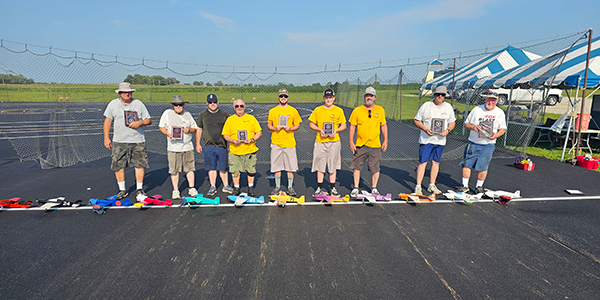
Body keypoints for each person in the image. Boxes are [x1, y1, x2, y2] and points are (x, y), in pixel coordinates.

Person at [103, 82, 152, 200]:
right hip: (119, 140)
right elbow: (108, 121)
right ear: (119, 93)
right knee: (118, 165)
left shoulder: (138, 104)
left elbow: (148, 120)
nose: (127, 94)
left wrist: (139, 123)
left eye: (129, 92)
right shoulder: (113, 104)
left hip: (137, 140)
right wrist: (106, 137)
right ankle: (122, 190)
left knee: (139, 164)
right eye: (124, 92)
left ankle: (139, 189)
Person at [458, 93, 507, 194]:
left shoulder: (499, 112)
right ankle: (465, 186)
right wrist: (473, 127)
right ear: (485, 99)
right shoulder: (477, 110)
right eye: (489, 99)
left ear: (496, 101)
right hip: (474, 143)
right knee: (467, 164)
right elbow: (466, 124)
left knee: (483, 166)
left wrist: (496, 135)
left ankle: (479, 187)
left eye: (493, 100)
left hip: (488, 144)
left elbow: (503, 129)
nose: (491, 102)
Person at [413, 86, 456, 195]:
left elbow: (452, 122)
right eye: (438, 95)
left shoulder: (448, 107)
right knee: (423, 162)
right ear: (434, 95)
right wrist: (425, 129)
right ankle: (418, 186)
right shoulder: (426, 106)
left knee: (436, 162)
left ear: (445, 96)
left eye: (442, 95)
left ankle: (432, 185)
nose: (440, 97)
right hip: (426, 140)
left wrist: (448, 130)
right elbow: (417, 120)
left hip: (440, 141)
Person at [348, 86, 388, 197]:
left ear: (374, 97)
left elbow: (383, 125)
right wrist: (351, 142)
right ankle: (356, 188)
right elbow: (352, 127)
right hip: (361, 145)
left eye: (371, 95)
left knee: (375, 167)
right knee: (357, 167)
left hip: (375, 145)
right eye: (367, 95)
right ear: (364, 97)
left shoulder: (380, 110)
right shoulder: (357, 110)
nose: (369, 97)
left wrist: (385, 140)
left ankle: (374, 188)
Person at [308, 88, 347, 196]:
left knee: (332, 165)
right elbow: (311, 124)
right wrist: (319, 130)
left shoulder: (339, 110)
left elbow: (343, 125)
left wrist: (336, 130)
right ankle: (319, 188)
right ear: (323, 98)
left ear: (333, 98)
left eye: (330, 97)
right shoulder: (318, 110)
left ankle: (332, 188)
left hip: (334, 142)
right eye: (326, 97)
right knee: (320, 166)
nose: (328, 99)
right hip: (320, 141)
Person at [158, 95, 198, 200]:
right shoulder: (167, 113)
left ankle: (192, 188)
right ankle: (175, 190)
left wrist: (188, 130)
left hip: (187, 146)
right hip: (173, 148)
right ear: (173, 105)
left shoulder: (188, 114)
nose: (178, 106)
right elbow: (161, 127)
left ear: (184, 104)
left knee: (190, 169)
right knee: (174, 170)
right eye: (176, 105)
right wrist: (168, 134)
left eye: (180, 104)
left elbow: (194, 128)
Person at [222, 99, 262, 196]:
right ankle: (236, 188)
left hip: (249, 150)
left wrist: (252, 140)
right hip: (235, 151)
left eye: (241, 106)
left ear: (244, 107)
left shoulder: (251, 118)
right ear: (234, 107)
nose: (239, 108)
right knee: (235, 171)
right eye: (237, 106)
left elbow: (259, 132)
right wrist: (233, 141)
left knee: (251, 170)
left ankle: (250, 188)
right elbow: (225, 134)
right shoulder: (230, 119)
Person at [196, 94, 233, 196]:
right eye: (210, 102)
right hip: (209, 146)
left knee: (223, 167)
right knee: (211, 167)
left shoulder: (224, 114)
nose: (213, 104)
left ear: (218, 102)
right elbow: (199, 129)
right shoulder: (203, 115)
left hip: (222, 145)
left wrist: (230, 143)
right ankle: (213, 186)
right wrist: (198, 143)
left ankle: (226, 186)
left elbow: (230, 130)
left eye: (214, 102)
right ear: (207, 103)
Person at [267, 88, 302, 196]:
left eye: (285, 96)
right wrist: (275, 128)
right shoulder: (273, 111)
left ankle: (290, 187)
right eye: (281, 96)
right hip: (276, 142)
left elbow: (297, 125)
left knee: (290, 167)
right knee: (276, 166)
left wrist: (290, 128)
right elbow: (269, 125)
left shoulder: (293, 111)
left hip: (289, 143)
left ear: (288, 97)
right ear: (278, 97)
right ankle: (277, 187)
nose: (283, 98)